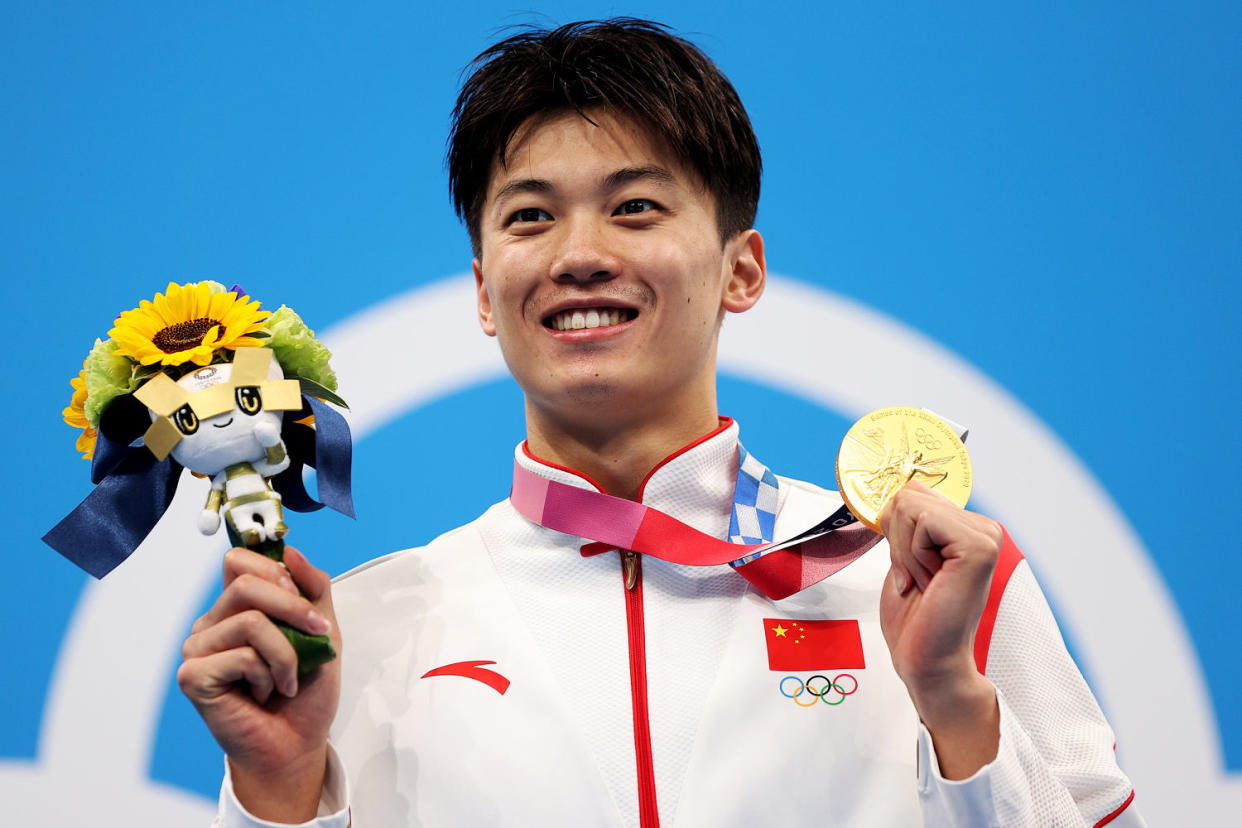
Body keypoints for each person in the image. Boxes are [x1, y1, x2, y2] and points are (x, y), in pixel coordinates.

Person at [180, 19, 1143, 827]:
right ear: (483, 289)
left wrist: (957, 711)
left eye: (635, 206)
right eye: (529, 218)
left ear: (742, 269)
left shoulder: (933, 582)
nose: (580, 255)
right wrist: (277, 791)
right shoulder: (359, 635)